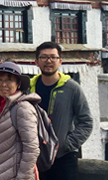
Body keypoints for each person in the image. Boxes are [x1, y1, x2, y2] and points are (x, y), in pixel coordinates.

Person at [30, 42, 93, 180]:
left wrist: (68, 144)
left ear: (60, 61)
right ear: (36, 62)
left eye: (53, 57)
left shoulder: (72, 88)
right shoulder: (29, 89)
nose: (49, 61)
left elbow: (86, 121)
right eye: (44, 57)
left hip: (63, 158)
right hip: (35, 157)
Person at [0, 62, 40, 180]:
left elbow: (32, 148)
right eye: (0, 80)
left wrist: (22, 178)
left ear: (18, 84)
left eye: (9, 80)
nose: (3, 84)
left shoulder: (23, 108)